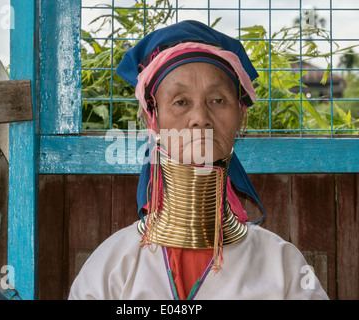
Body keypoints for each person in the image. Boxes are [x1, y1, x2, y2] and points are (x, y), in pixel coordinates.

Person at [68, 20, 329, 300]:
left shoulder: (283, 266)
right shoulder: (109, 269)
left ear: (240, 115)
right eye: (180, 102)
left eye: (217, 100)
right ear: (150, 119)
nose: (200, 118)